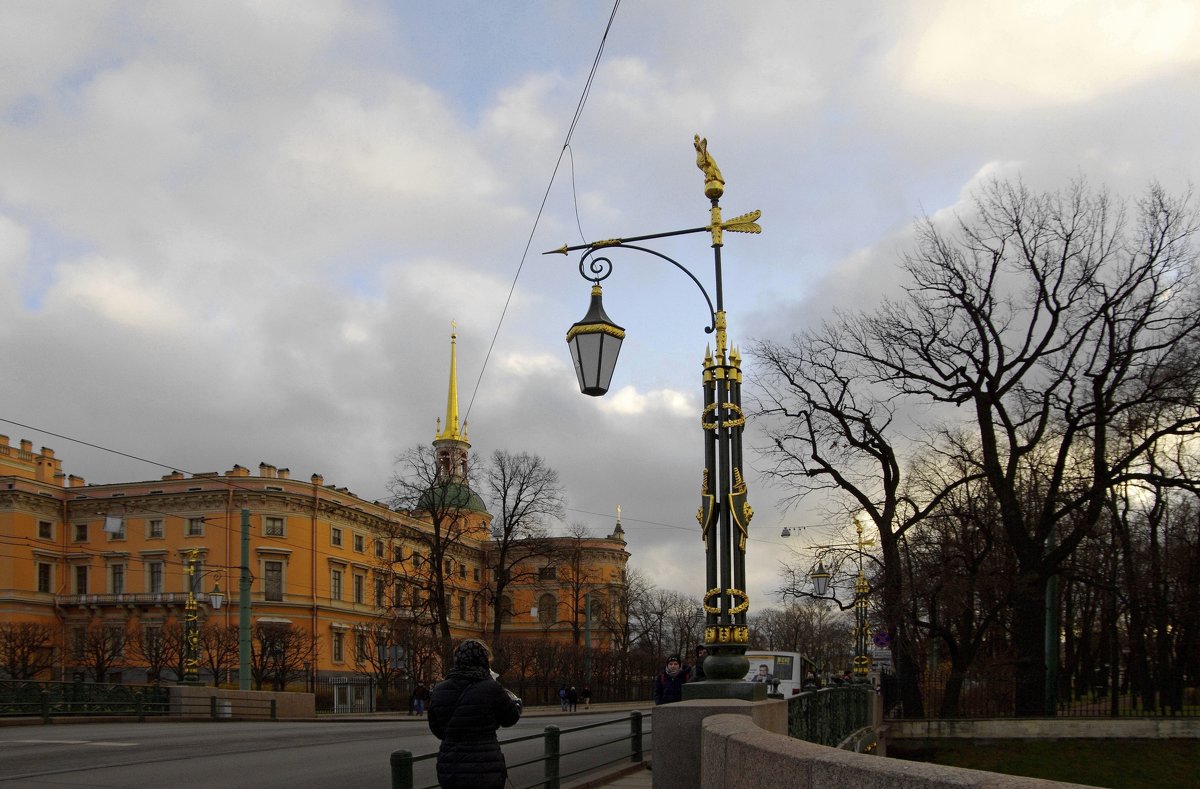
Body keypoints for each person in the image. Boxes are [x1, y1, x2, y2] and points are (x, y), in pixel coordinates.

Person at [428, 639, 522, 789]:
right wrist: (517, 705)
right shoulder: (492, 687)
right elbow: (510, 719)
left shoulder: (439, 690)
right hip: (486, 766)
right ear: (483, 660)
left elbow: (438, 730)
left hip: (450, 767)